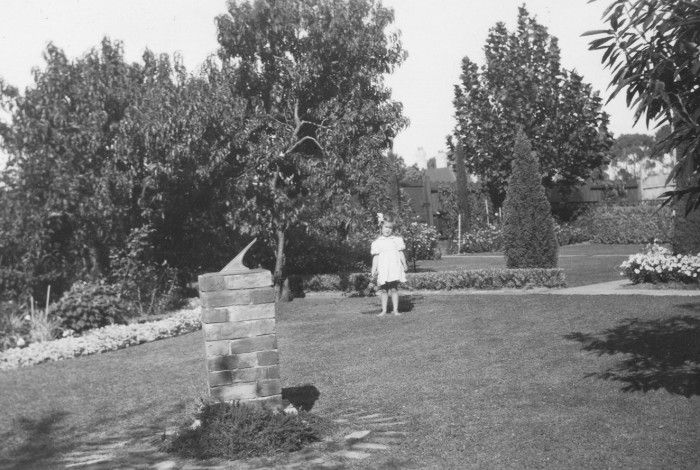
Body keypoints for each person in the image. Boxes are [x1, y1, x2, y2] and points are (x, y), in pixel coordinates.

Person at [371, 214, 407, 316]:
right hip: (383, 268)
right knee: (384, 290)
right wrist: (373, 269)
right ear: (381, 227)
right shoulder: (377, 242)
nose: (388, 230)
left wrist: (404, 264)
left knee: (394, 288)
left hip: (393, 267)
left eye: (390, 228)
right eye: (386, 227)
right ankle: (384, 310)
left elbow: (400, 253)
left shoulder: (396, 240)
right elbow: (376, 257)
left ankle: (395, 310)